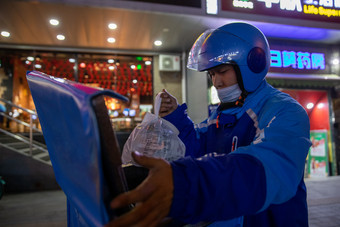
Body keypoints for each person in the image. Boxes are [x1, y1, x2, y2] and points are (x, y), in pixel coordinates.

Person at [106, 22, 311, 227]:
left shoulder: (285, 111)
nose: (217, 82)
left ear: (254, 63)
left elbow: (264, 168)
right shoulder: (221, 114)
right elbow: (196, 145)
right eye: (212, 74)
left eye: (222, 71)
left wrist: (186, 183)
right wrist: (175, 117)